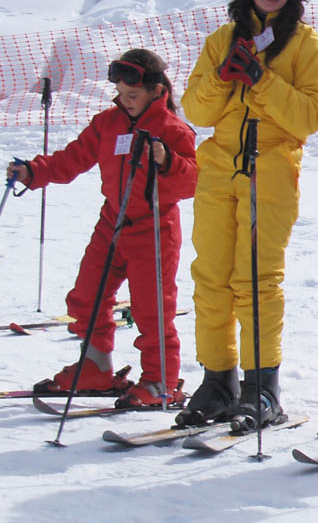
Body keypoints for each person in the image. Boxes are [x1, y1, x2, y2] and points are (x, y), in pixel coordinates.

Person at [176, 0, 318, 430]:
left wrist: (261, 80)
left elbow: (309, 116)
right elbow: (195, 112)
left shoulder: (306, 45)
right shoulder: (222, 39)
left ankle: (262, 388)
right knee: (211, 277)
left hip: (272, 166)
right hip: (220, 165)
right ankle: (217, 381)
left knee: (257, 279)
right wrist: (224, 77)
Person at [13, 49, 197, 408]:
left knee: (151, 309)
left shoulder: (173, 130)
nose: (126, 102)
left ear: (156, 91)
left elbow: (189, 184)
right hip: (111, 223)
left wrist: (166, 161)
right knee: (86, 295)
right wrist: (34, 172)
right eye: (122, 95)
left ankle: (161, 380)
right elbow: (72, 159)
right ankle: (95, 367)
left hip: (154, 229)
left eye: (134, 96)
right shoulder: (108, 123)